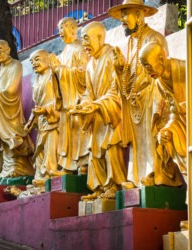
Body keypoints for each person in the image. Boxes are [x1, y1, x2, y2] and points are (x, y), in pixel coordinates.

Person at [108, 0, 169, 187]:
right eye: (122, 15)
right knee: (138, 143)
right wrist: (119, 69)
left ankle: (156, 174)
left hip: (151, 96)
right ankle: (136, 178)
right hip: (135, 102)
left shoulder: (154, 38)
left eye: (126, 14)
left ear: (140, 15)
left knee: (151, 139)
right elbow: (127, 77)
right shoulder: (129, 43)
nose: (123, 20)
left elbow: (162, 71)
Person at [70, 22, 127, 200]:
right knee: (95, 153)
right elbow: (88, 92)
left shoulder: (111, 56)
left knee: (110, 150)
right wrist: (85, 104)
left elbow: (116, 88)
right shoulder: (90, 65)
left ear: (100, 38)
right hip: (96, 116)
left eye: (87, 39)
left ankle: (114, 185)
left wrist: (97, 105)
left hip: (110, 113)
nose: (84, 44)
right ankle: (100, 187)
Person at [0, 40, 35, 178]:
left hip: (11, 110)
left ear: (8, 50)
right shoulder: (1, 69)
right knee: (3, 141)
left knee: (13, 139)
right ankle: (7, 168)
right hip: (1, 110)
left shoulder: (16, 65)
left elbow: (11, 90)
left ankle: (18, 167)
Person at [139, 41, 186, 186]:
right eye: (144, 67)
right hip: (182, 123)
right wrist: (167, 129)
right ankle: (163, 176)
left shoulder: (184, 69)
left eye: (148, 66)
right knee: (161, 136)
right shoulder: (159, 82)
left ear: (161, 60)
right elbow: (174, 112)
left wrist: (186, 107)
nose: (147, 71)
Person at [50, 17, 90, 175]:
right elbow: (58, 72)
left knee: (79, 133)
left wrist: (61, 70)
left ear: (73, 29)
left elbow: (83, 73)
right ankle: (67, 167)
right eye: (59, 28)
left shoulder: (80, 48)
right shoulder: (65, 51)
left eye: (64, 27)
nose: (60, 31)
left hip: (77, 97)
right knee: (67, 135)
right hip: (66, 99)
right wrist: (55, 69)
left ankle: (83, 165)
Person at [25, 49, 60, 186]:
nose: (34, 63)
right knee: (39, 151)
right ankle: (40, 177)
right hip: (41, 121)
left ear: (47, 59)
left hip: (53, 119)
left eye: (37, 59)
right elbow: (37, 104)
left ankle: (48, 176)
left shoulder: (53, 75)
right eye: (31, 62)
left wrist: (46, 110)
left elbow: (59, 100)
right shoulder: (37, 80)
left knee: (50, 150)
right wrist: (30, 121)